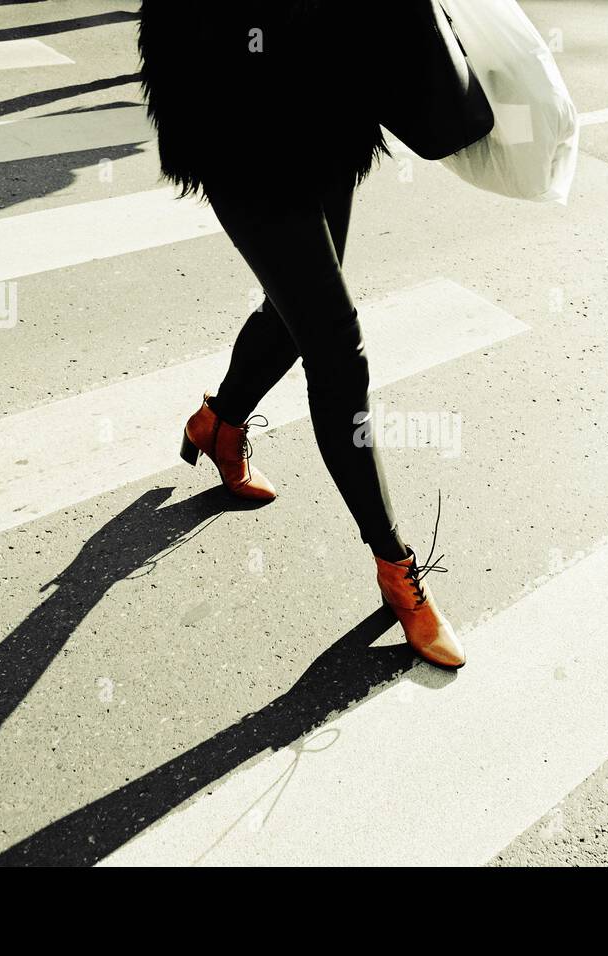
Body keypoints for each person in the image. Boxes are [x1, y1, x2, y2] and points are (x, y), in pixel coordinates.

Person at [138, 0, 465, 667]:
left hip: (327, 109)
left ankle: (219, 424)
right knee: (337, 350)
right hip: (234, 118)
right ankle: (394, 566)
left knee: (299, 316)